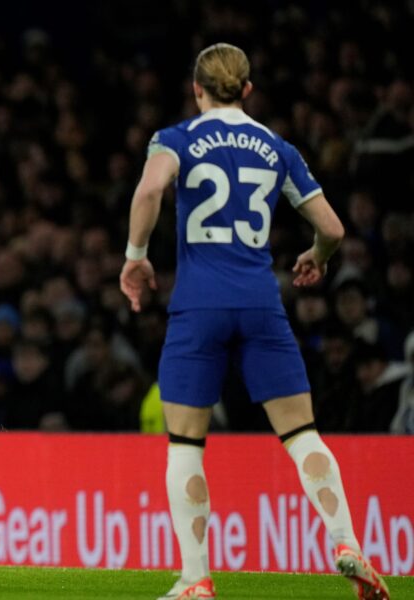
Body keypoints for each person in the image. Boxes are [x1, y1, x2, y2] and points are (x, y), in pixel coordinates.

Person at [119, 43, 390, 600]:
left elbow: (149, 190)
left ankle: (196, 580)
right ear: (246, 90)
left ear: (197, 89)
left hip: (198, 307)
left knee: (185, 444)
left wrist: (135, 256)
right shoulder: (277, 147)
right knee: (302, 433)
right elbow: (333, 228)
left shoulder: (176, 139)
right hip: (261, 304)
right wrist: (318, 256)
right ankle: (347, 544)